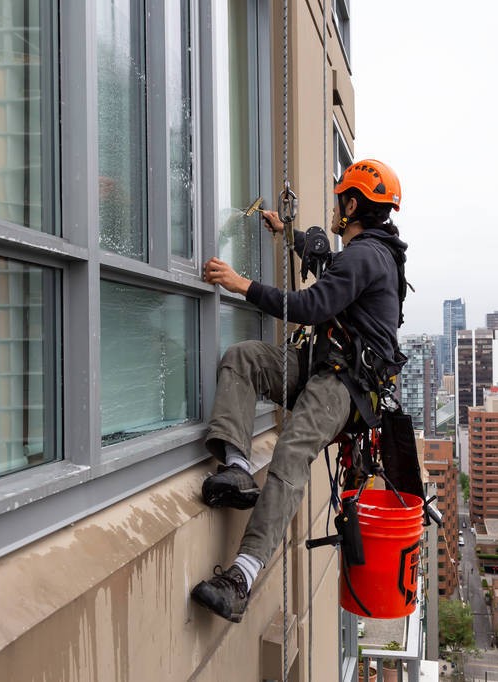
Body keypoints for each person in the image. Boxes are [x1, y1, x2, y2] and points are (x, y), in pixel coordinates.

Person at [190, 159, 407, 623]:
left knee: (292, 451)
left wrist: (239, 284)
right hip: (319, 366)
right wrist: (284, 234)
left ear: (352, 204)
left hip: (343, 384)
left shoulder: (368, 255)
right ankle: (237, 468)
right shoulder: (366, 253)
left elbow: (312, 305)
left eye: (338, 199)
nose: (333, 208)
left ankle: (241, 578)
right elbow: (327, 264)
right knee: (244, 357)